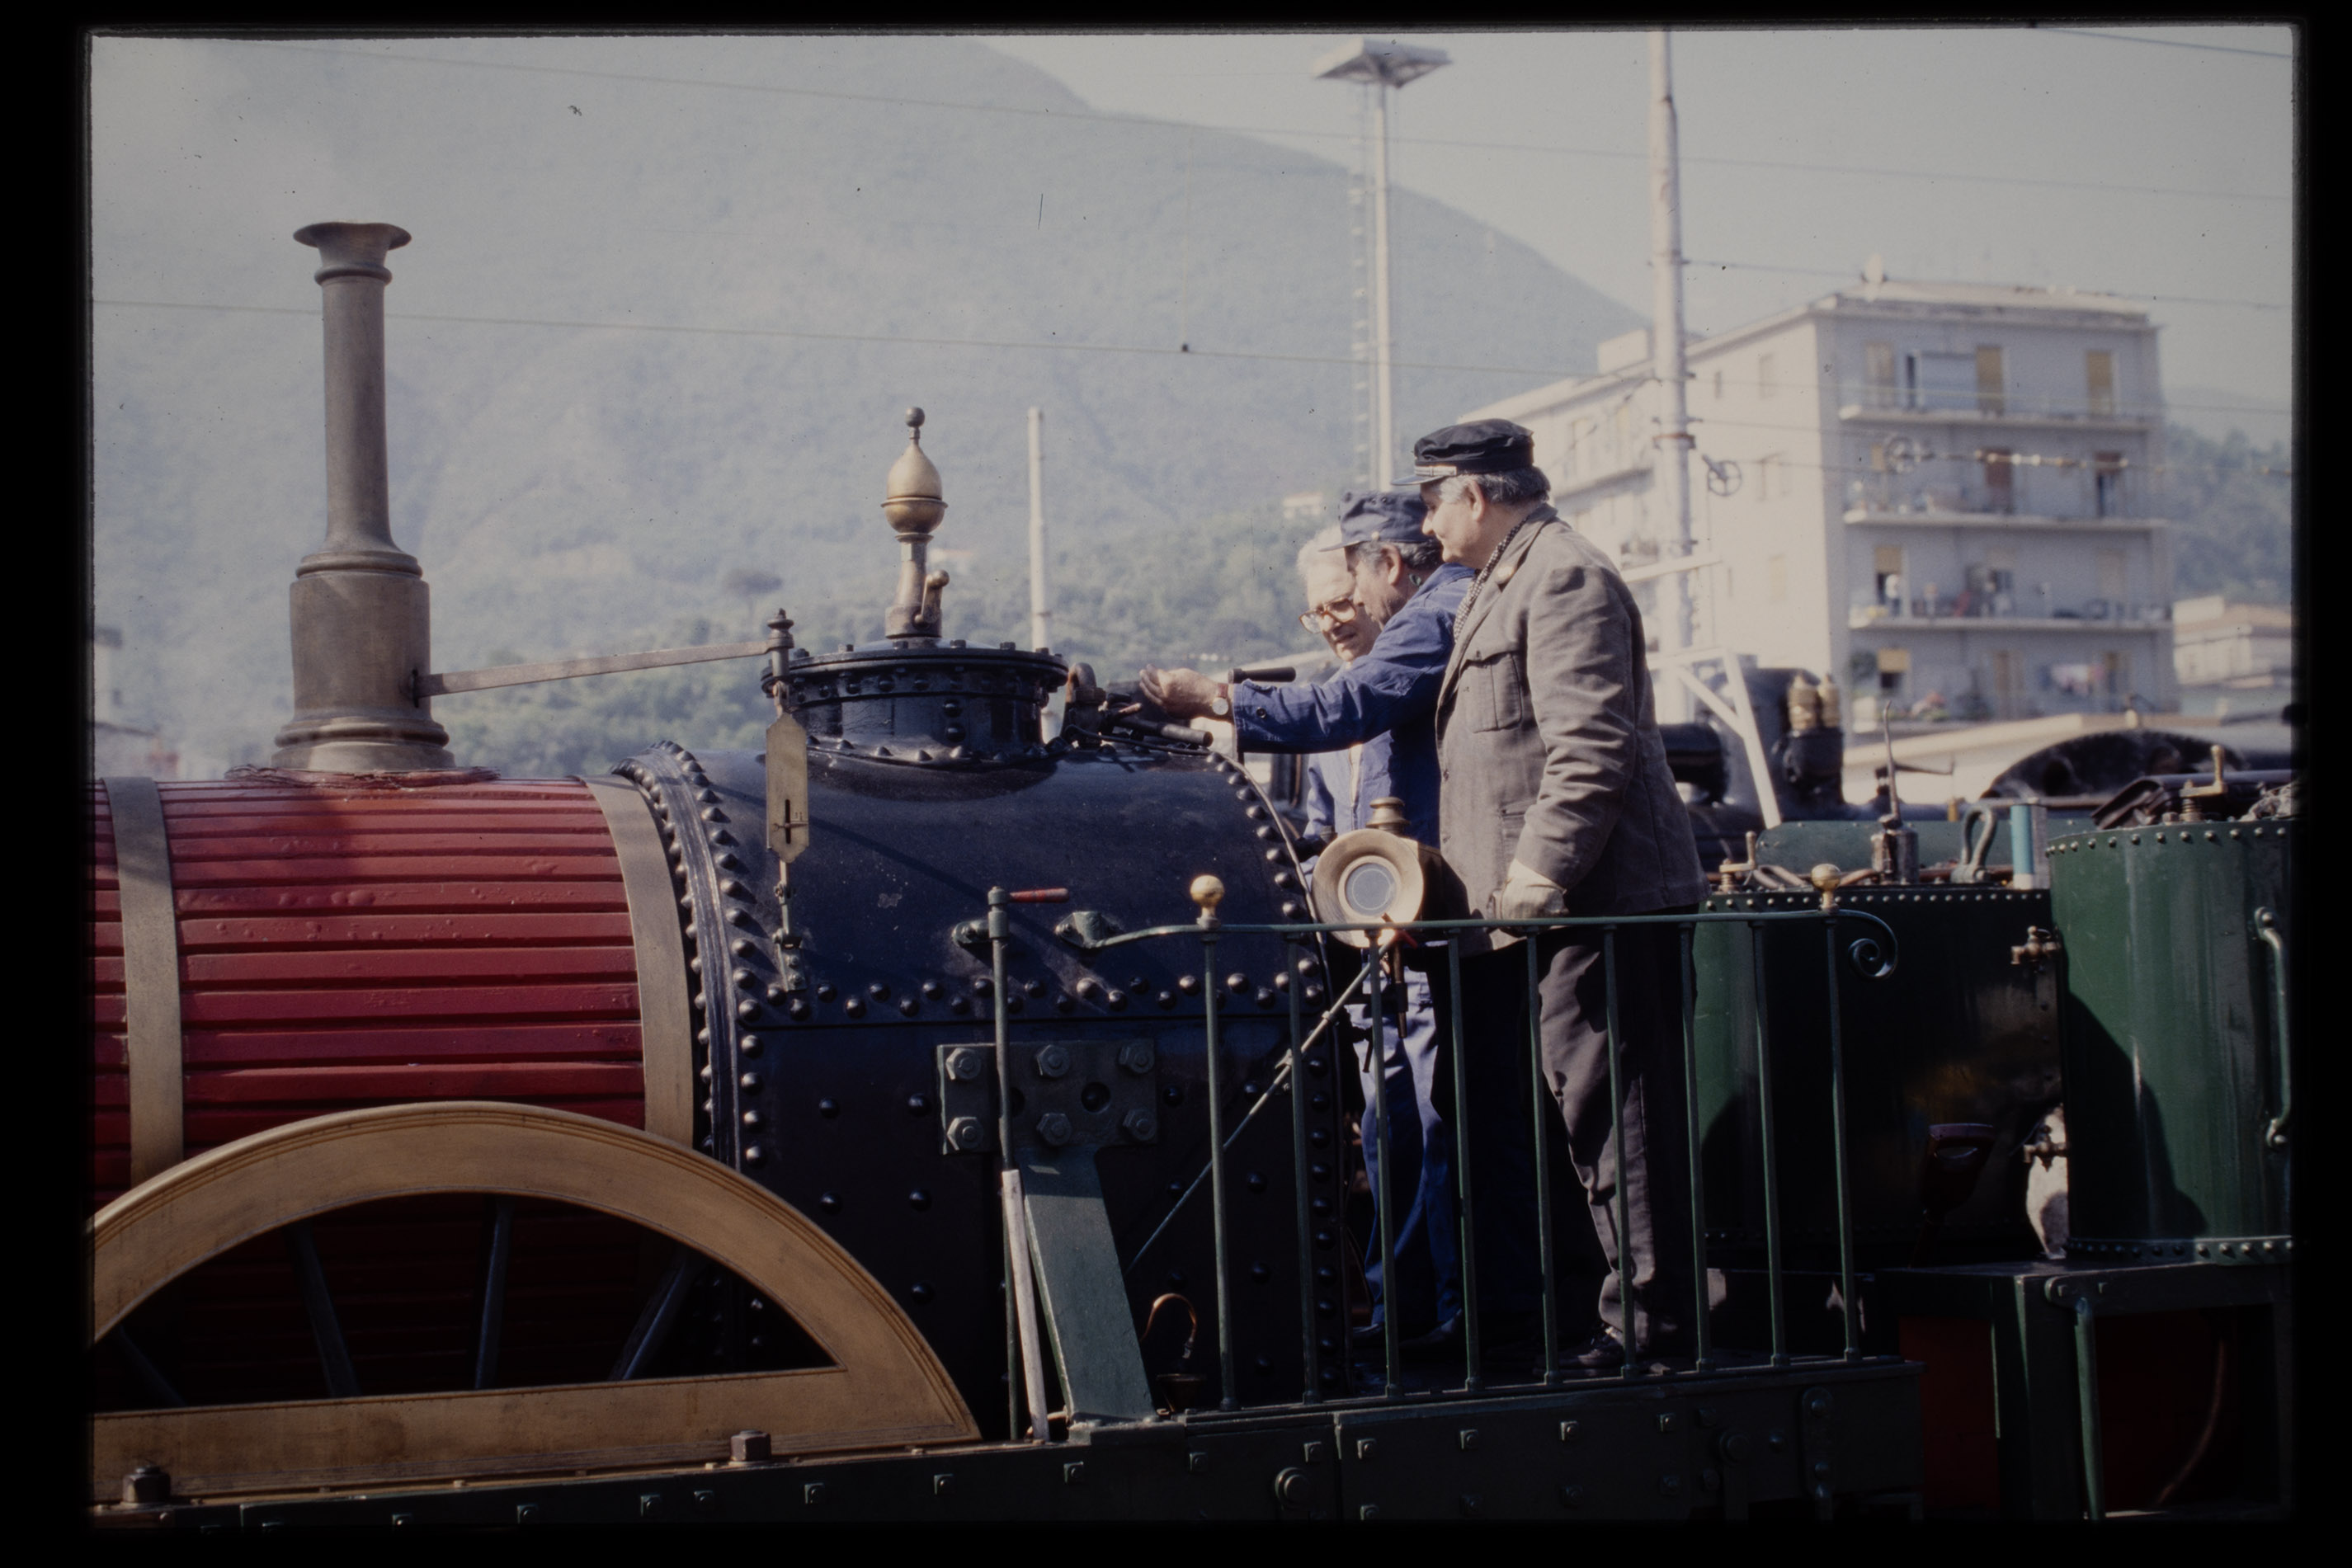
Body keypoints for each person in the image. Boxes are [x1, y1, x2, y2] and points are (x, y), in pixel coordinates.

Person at [1140, 492, 1472, 1356]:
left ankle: (1448, 1308)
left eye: (1345, 599)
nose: (1338, 619)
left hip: (1428, 937)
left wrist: (1213, 695)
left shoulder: (1393, 675)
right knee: (1391, 1124)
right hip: (1373, 957)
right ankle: (1395, 1305)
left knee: (1440, 1128)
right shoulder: (1335, 707)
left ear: (1379, 575)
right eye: (1320, 609)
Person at [1412, 417, 1709, 1369]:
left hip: (1589, 901)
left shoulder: (1563, 575)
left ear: (1474, 494)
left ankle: (1651, 1328)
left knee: (1613, 1113)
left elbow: (1590, 747)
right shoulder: (1501, 581)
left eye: (1432, 500)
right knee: (1571, 1119)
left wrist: (1539, 873)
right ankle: (1589, 1318)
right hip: (1535, 910)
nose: (1425, 523)